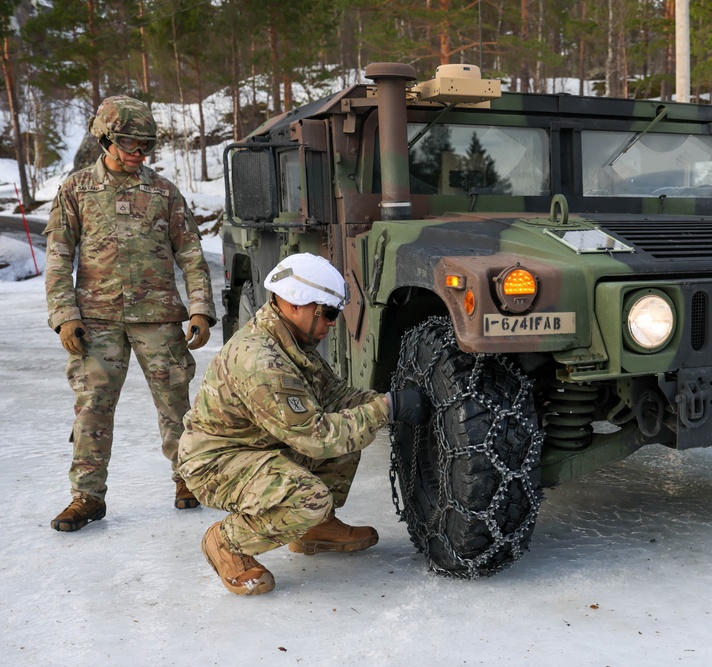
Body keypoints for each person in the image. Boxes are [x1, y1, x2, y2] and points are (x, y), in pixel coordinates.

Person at [177, 253, 430, 596]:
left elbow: (336, 396)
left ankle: (314, 531)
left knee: (352, 430)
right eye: (327, 313)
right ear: (295, 304)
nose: (332, 323)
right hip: (218, 462)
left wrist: (385, 401)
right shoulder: (261, 362)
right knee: (309, 497)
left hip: (260, 445)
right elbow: (317, 438)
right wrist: (385, 410)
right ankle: (225, 542)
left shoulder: (292, 341)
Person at [45, 95, 216, 532]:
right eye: (128, 143)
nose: (138, 153)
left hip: (158, 316)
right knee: (92, 407)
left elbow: (192, 255)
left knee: (177, 402)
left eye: (145, 145)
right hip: (96, 318)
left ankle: (189, 480)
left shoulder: (163, 192)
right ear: (104, 138)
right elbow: (59, 256)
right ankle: (87, 496)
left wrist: (200, 309)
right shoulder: (77, 189)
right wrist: (65, 314)